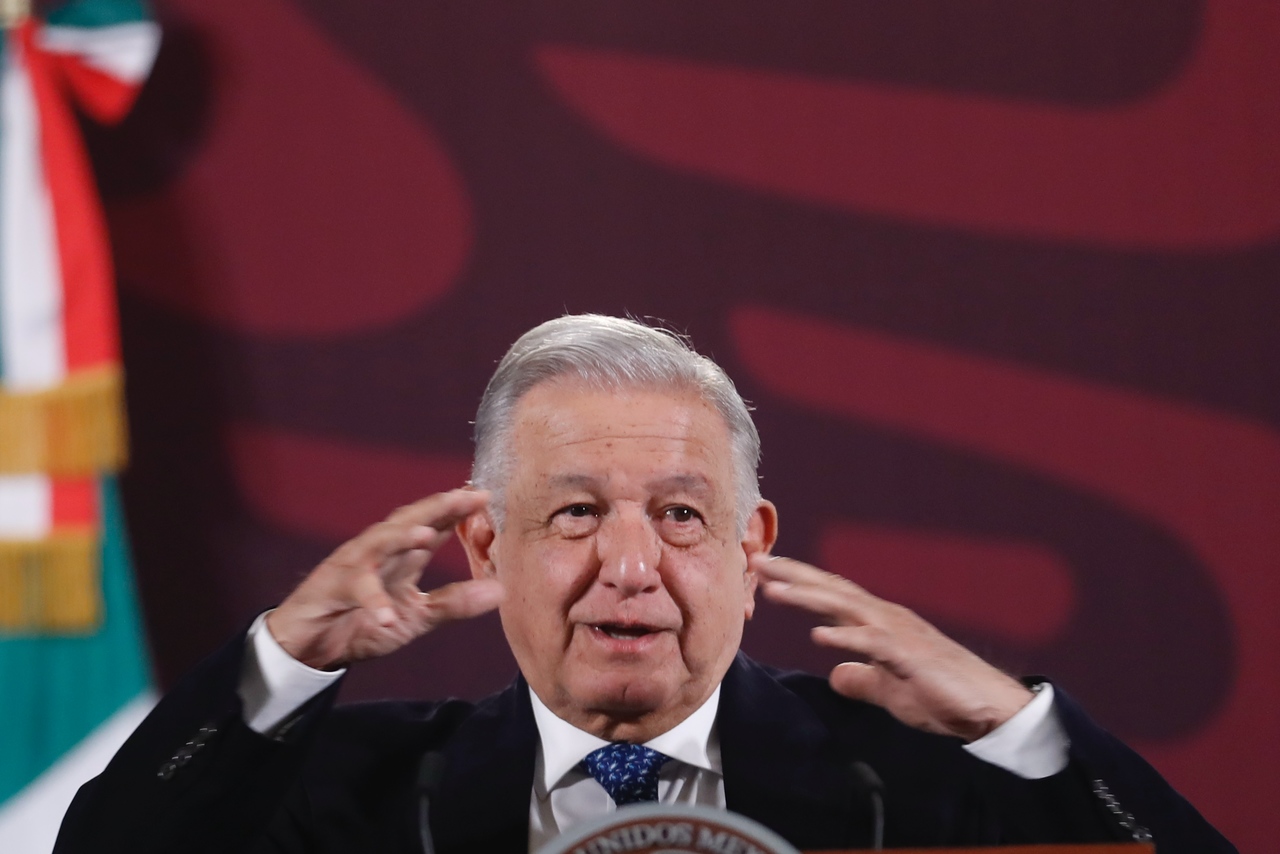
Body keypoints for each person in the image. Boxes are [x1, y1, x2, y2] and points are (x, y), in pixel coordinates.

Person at [55, 315, 1234, 853]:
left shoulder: (929, 786)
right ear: (485, 546)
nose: (630, 567)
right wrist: (280, 665)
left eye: (678, 515)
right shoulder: (345, 791)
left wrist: (1016, 729)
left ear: (749, 546)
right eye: (575, 512)